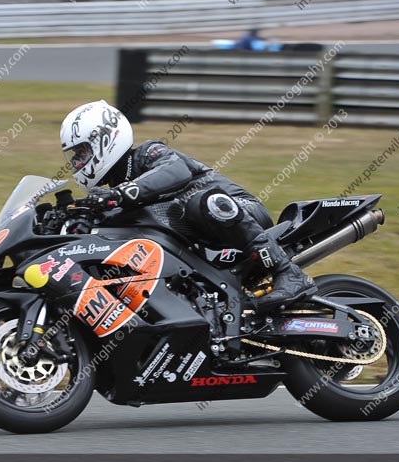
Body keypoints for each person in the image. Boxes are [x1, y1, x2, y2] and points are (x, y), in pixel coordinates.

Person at [59, 100, 316, 312]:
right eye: (75, 156)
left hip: (240, 212)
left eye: (82, 152)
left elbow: (176, 171)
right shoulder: (114, 192)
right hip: (203, 241)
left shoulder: (148, 153)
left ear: (105, 140)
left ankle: (288, 273)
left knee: (202, 202)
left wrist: (118, 195)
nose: (77, 163)